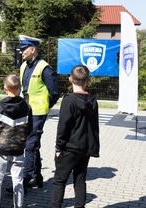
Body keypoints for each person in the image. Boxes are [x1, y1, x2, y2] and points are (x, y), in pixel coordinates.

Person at [51, 65, 100, 208]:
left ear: (70, 79)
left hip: (69, 148)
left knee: (59, 180)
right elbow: (93, 126)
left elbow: (63, 127)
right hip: (85, 147)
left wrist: (59, 147)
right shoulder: (93, 100)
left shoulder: (68, 100)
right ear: (88, 81)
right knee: (80, 180)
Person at [18, 35, 60, 188]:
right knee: (32, 145)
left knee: (30, 144)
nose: (21, 51)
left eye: (24, 49)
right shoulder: (24, 66)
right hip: (26, 111)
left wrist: (47, 107)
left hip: (38, 113)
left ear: (33, 49)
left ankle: (25, 179)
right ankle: (37, 177)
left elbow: (55, 92)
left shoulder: (44, 68)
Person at [0, 74, 32, 208]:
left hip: (0, 149)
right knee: (18, 180)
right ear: (19, 88)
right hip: (18, 149)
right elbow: (30, 128)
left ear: (4, 88)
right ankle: (18, 205)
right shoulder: (26, 107)